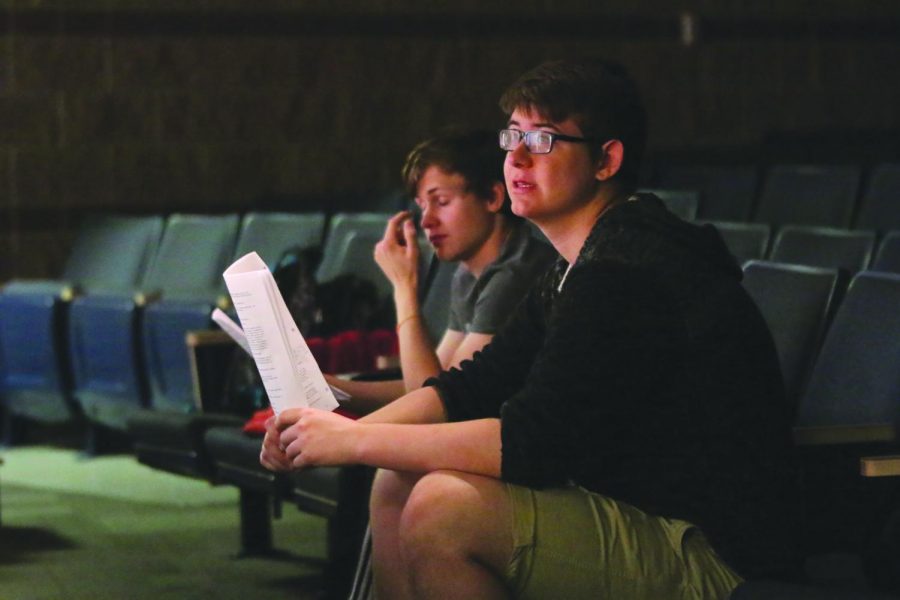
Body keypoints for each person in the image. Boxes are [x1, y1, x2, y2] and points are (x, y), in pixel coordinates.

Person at [261, 59, 800, 599]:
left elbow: (531, 441)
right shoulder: (574, 265)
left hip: (708, 548)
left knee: (442, 512)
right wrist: (321, 427)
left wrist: (355, 441)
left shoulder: (626, 268)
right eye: (512, 136)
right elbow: (467, 387)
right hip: (631, 507)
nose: (515, 158)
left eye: (543, 140)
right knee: (396, 481)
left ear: (606, 159)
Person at [326, 129, 556, 415]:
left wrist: (404, 288)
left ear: (493, 197)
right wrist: (330, 391)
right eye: (422, 206)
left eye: (442, 202)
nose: (427, 221)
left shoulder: (514, 274)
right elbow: (436, 381)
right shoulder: (468, 273)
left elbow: (434, 399)